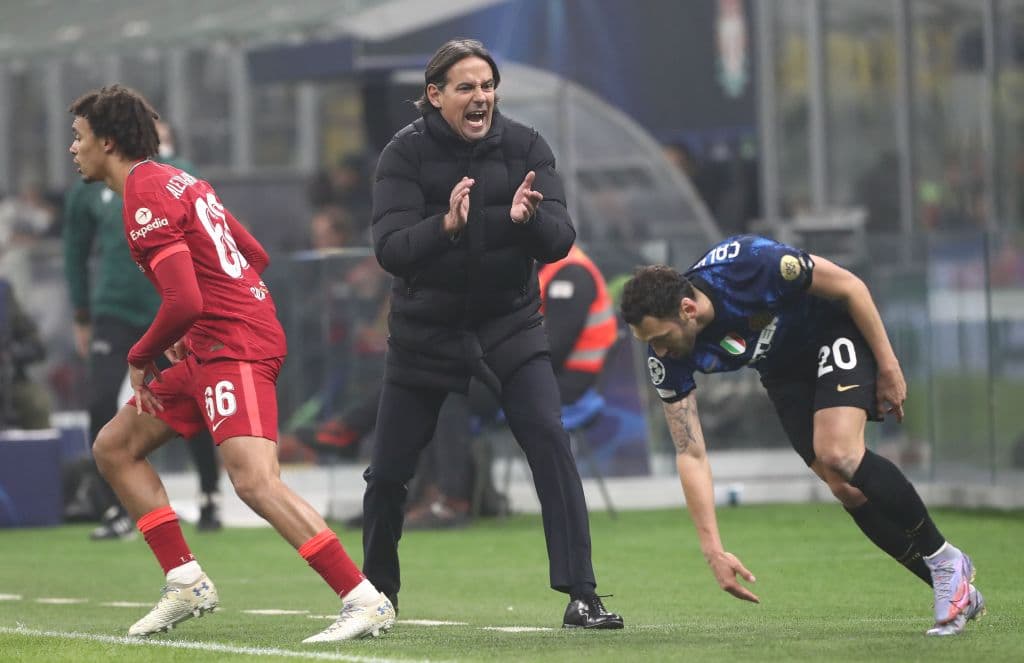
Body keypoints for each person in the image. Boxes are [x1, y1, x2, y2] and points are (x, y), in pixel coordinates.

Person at [67, 84, 394, 642]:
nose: (72, 150)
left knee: (255, 481)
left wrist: (140, 352)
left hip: (234, 344)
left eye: (78, 138)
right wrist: (193, 325)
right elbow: (254, 257)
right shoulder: (181, 181)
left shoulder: (145, 194)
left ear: (107, 141)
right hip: (210, 343)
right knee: (114, 448)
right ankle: (185, 580)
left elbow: (187, 299)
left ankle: (364, 599)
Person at [364, 38, 622, 629]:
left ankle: (583, 596)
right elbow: (390, 250)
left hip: (510, 323)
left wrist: (529, 224)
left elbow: (560, 238)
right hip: (426, 330)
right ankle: (377, 597)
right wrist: (446, 226)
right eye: (466, 88)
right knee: (386, 476)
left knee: (550, 443)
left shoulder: (528, 145)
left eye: (487, 86)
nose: (481, 98)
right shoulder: (402, 156)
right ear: (436, 96)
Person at [618, 234, 985, 636]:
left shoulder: (750, 264)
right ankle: (953, 589)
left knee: (839, 453)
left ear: (687, 309)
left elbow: (850, 287)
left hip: (832, 330)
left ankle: (945, 558)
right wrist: (713, 551)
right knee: (845, 488)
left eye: (659, 339)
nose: (659, 352)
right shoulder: (665, 360)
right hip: (782, 371)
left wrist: (888, 366)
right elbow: (691, 453)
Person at [63, 119, 223, 538]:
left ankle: (209, 495)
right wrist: (81, 313)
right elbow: (74, 251)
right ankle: (114, 507)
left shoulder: (178, 174)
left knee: (189, 403)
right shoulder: (90, 185)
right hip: (114, 308)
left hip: (170, 309)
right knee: (99, 402)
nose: (74, 148)